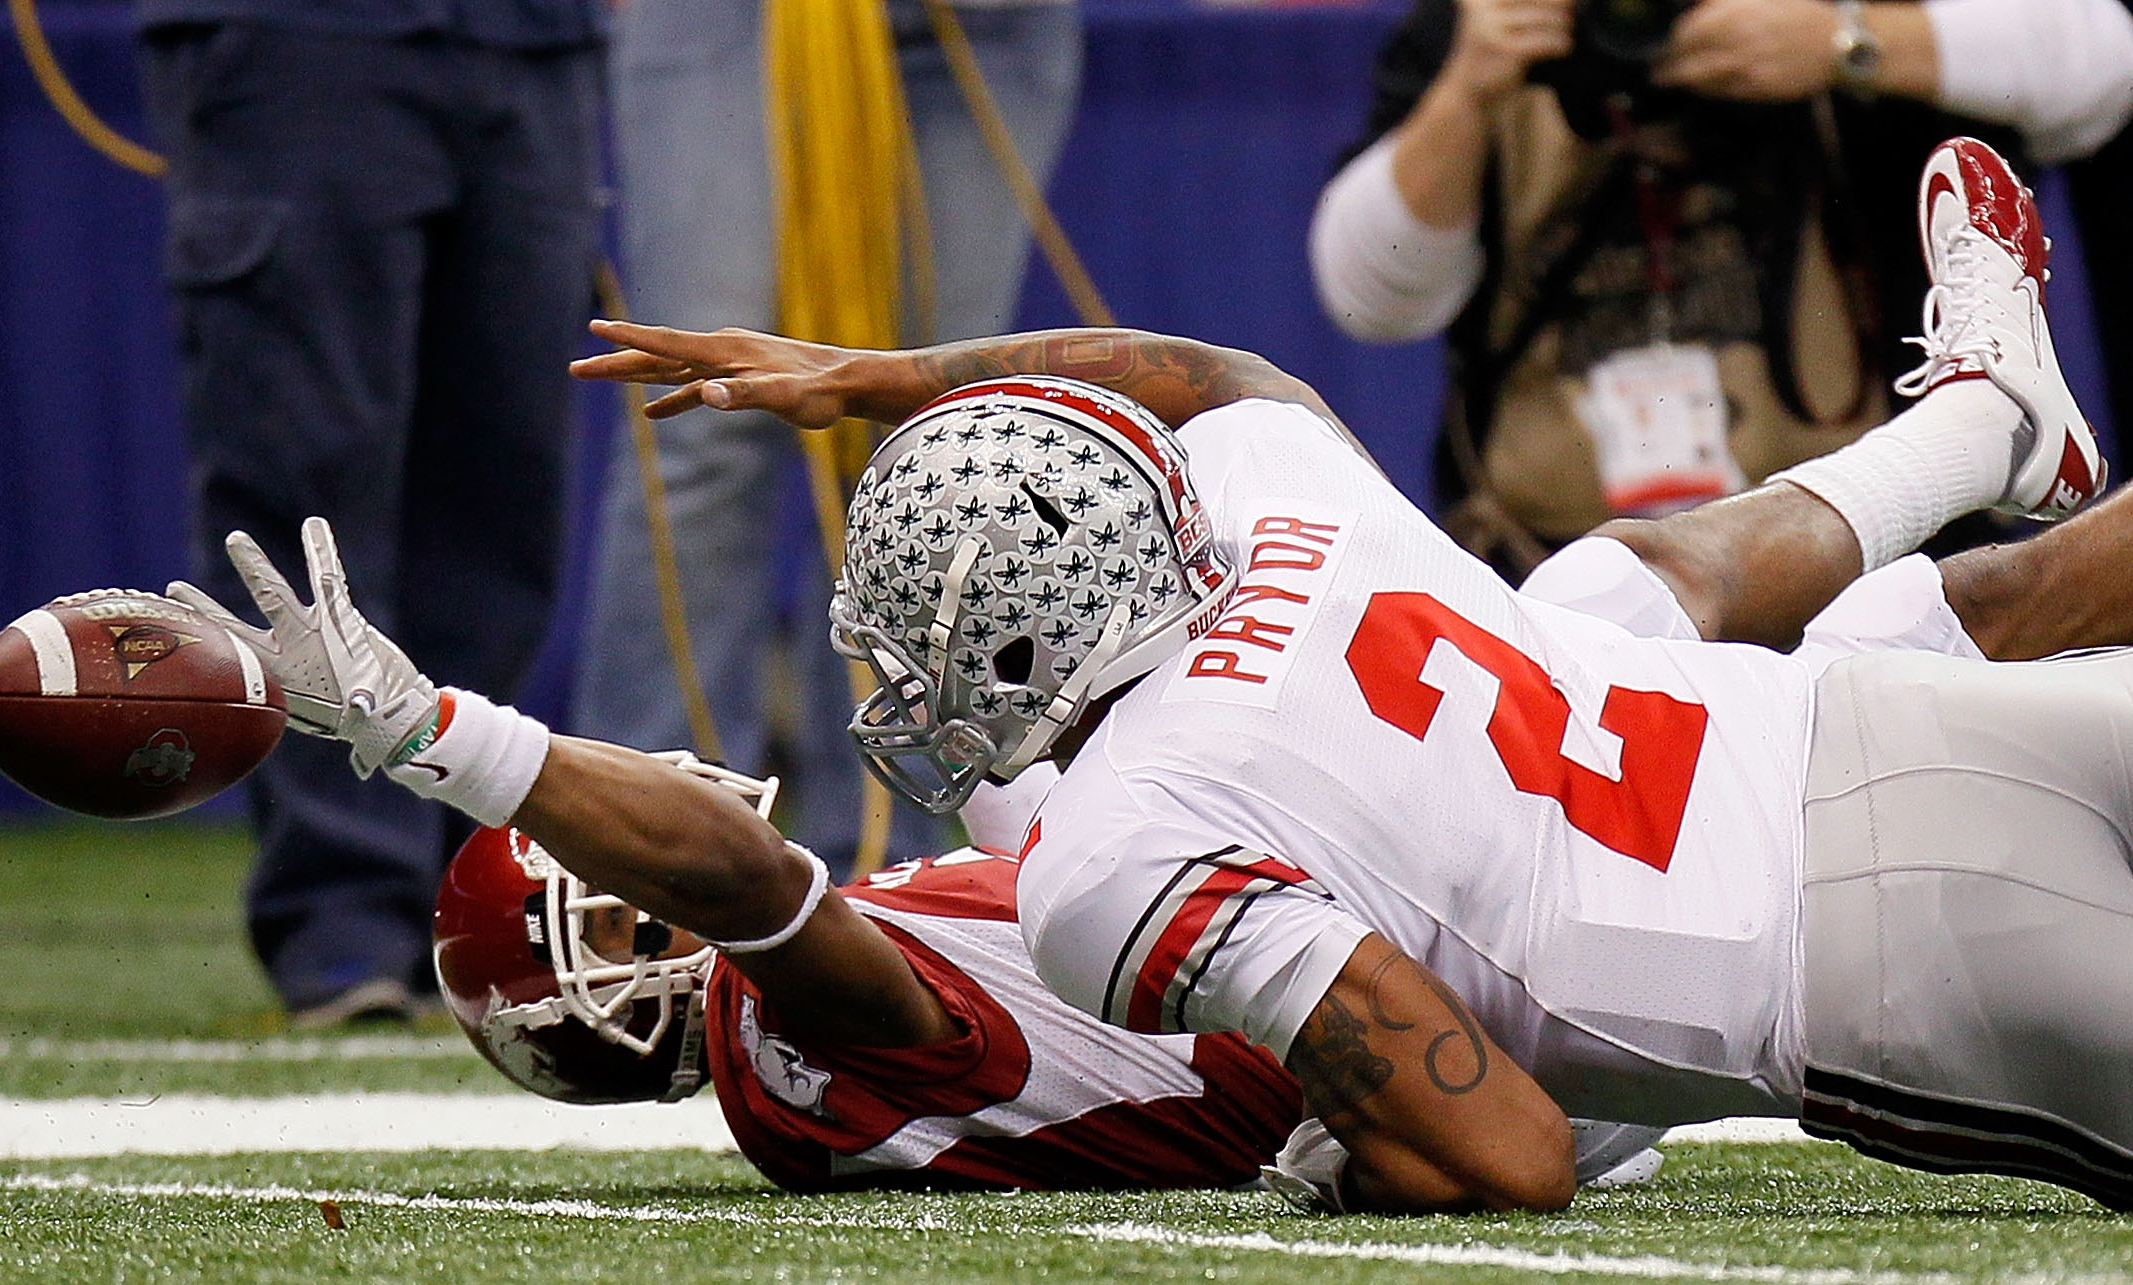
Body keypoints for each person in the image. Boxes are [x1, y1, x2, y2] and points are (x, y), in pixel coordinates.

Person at [572, 137, 2133, 1214]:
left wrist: (1359, 1155)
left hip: (1874, 971)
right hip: (1886, 726)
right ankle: (1986, 424)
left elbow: (1508, 1151)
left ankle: (1987, 423)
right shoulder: (1275, 493)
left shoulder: (1116, 847)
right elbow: (1191, 374)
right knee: (1596, 598)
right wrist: (883, 376)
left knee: (1602, 603)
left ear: (1016, 648)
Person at [160, 518, 1664, 1193]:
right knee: (1609, 608)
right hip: (1433, 1022)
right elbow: (746, 889)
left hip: (1377, 975)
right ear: (618, 975)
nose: (655, 837)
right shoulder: (790, 1052)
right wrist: (435, 732)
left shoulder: (815, 1048)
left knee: (1604, 610)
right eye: (623, 903)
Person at [135, 0, 603, 1025]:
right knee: (302, 488)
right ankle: (341, 923)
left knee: (501, 497)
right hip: (297, 40)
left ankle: (462, 899)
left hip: (530, 40)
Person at [1307, 0, 2133, 575]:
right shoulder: (1474, 29)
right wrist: (1465, 94)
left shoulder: (1830, 22)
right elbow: (1368, 301)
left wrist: (1844, 43)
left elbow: (2104, 64)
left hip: (1869, 559)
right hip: (1560, 580)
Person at [574, 0, 1084, 875]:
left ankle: (889, 863)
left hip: (990, 20)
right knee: (707, 423)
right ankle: (654, 854)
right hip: (736, 21)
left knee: (930, 445)